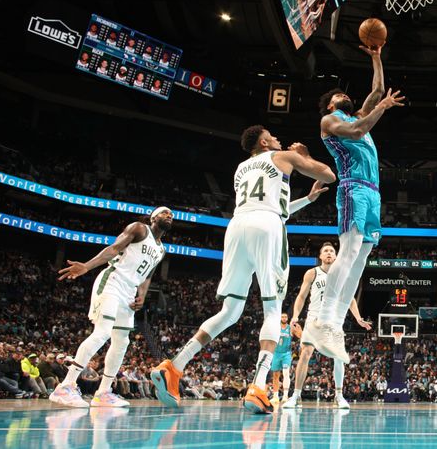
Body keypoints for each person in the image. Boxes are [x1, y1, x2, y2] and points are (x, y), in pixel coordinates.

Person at [150, 125, 335, 414]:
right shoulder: (283, 156)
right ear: (264, 141)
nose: (278, 138)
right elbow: (328, 175)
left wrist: (308, 200)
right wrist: (303, 155)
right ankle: (259, 386)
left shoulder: (241, 169)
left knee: (230, 311)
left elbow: (273, 205)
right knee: (273, 311)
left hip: (237, 228)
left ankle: (174, 366)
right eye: (273, 136)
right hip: (267, 227)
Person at [305, 44, 405, 363]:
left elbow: (376, 90)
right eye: (337, 96)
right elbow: (359, 128)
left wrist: (376, 56)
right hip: (353, 189)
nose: (343, 96)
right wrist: (383, 108)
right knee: (347, 253)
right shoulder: (330, 122)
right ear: (331, 104)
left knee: (361, 259)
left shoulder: (358, 113)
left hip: (373, 193)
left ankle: (335, 325)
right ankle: (321, 319)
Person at [49, 207, 172, 408]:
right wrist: (87, 266)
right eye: (165, 213)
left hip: (129, 292)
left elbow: (148, 275)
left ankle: (103, 392)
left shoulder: (161, 249)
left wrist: (142, 295)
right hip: (113, 281)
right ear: (153, 217)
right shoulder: (139, 229)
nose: (169, 216)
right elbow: (113, 248)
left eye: (171, 215)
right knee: (102, 333)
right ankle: (66, 386)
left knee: (122, 341)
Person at [283, 242, 372, 410]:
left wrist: (358, 318)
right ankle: (295, 396)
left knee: (338, 357)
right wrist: (295, 315)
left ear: (336, 256)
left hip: (334, 320)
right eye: (326, 251)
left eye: (332, 251)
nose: (329, 253)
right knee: (305, 353)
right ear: (321, 256)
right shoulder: (312, 273)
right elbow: (301, 297)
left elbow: (350, 298)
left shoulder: (342, 275)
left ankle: (339, 396)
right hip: (314, 318)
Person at [269, 313, 293, 406]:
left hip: (286, 353)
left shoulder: (290, 328)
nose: (284, 318)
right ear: (280, 318)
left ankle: (285, 396)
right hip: (276, 353)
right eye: (282, 317)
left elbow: (300, 335)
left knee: (286, 373)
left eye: (285, 317)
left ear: (287, 318)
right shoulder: (276, 327)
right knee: (275, 375)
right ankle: (275, 396)